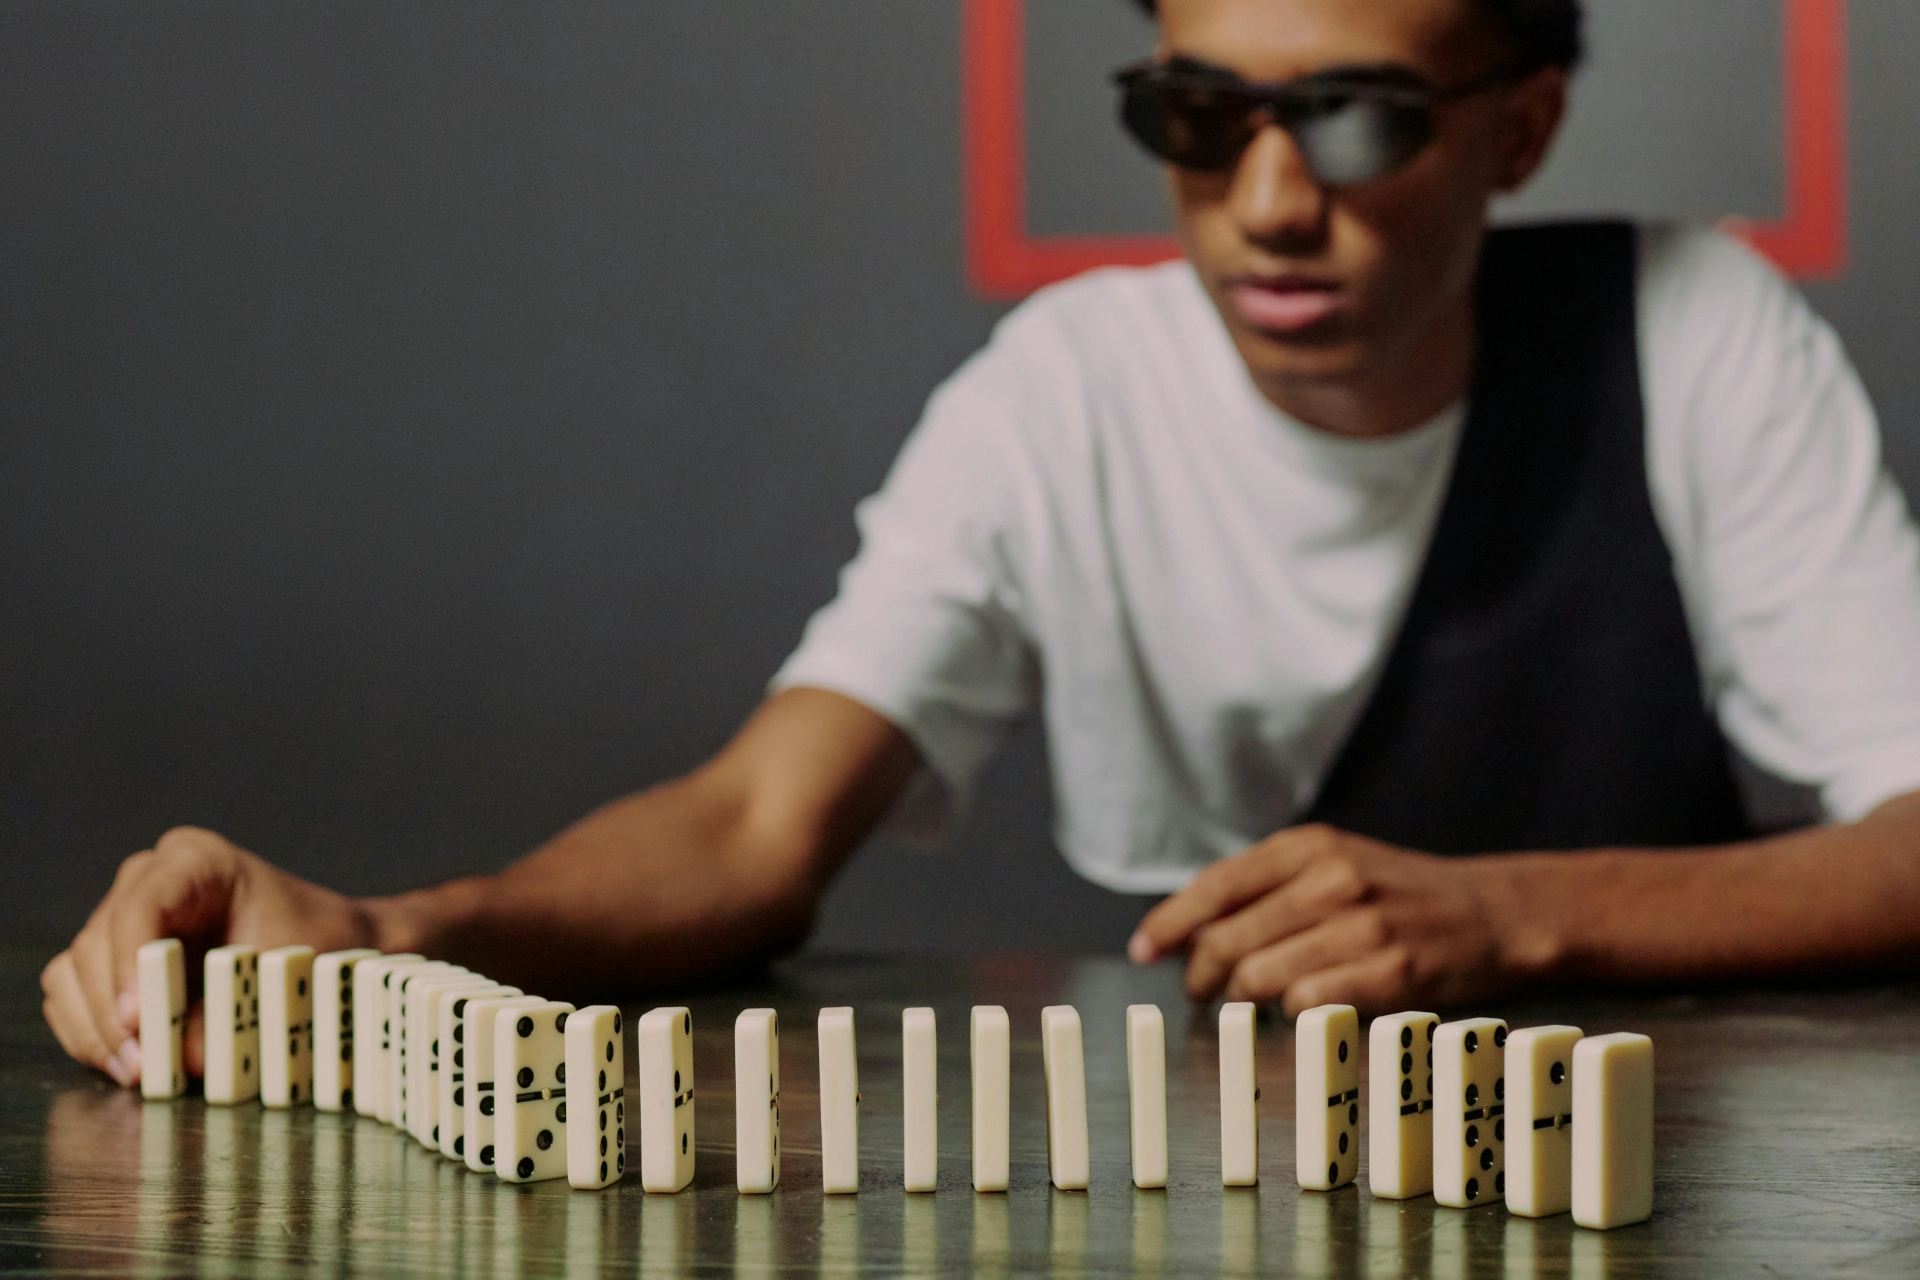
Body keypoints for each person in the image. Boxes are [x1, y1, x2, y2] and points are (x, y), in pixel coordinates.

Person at [44, 0, 1920, 1090]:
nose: (1269, 205)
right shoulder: (1065, 390)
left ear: (1523, 131)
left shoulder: (1694, 332)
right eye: (1199, 115)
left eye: (1356, 123)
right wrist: (389, 935)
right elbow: (755, 826)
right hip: (1243, 1160)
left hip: (1663, 1149)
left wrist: (1511, 911)